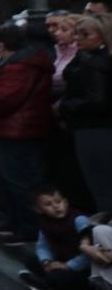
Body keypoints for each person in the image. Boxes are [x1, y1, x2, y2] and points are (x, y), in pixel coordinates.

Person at [0, 24, 53, 242]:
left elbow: (3, 98)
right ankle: (17, 223)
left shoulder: (18, 67)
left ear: (1, 45)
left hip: (16, 130)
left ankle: (27, 227)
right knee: (14, 180)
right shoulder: (21, 63)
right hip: (15, 128)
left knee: (19, 181)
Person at [58, 14, 112, 211]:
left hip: (94, 129)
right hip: (91, 128)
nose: (78, 38)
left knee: (100, 183)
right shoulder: (89, 58)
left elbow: (97, 100)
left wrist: (66, 106)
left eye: (85, 34)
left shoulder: (95, 63)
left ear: (102, 36)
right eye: (77, 34)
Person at [17, 186, 98, 290]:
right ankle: (50, 283)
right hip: (63, 259)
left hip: (84, 268)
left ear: (65, 202)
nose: (56, 206)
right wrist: (46, 262)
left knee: (57, 278)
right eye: (48, 204)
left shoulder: (79, 220)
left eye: (58, 202)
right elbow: (43, 246)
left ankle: (57, 289)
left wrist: (67, 266)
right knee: (31, 259)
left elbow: (90, 253)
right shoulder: (46, 223)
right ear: (38, 209)